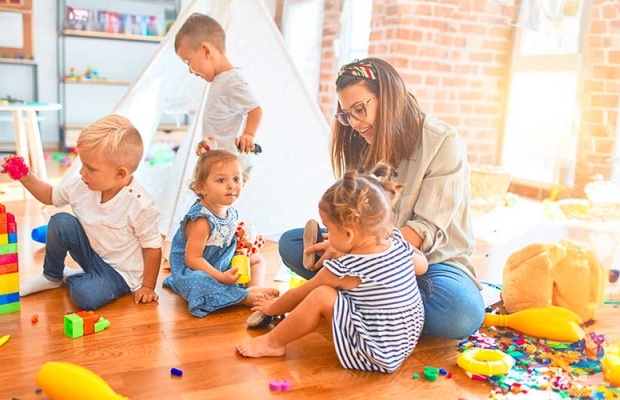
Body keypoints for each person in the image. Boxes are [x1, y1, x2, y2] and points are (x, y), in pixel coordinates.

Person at [271, 58, 482, 340]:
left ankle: (364, 299)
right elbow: (352, 211)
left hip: (433, 264)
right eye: (347, 115)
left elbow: (424, 232)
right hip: (368, 256)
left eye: (359, 110)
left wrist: (352, 254)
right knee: (291, 243)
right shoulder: (363, 143)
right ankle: (384, 304)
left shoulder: (443, 141)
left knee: (459, 314)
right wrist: (344, 241)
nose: (354, 123)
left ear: (389, 97)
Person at [237, 164, 427, 374]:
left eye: (328, 227)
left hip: (375, 353)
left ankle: (272, 343)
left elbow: (298, 294)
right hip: (405, 341)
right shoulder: (398, 244)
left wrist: (271, 308)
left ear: (348, 234)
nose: (326, 232)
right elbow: (422, 266)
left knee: (321, 295)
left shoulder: (344, 268)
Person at [9, 115, 163, 310]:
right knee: (60, 221)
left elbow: (152, 248)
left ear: (120, 174)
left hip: (120, 274)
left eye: (90, 168)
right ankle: (52, 276)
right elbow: (49, 196)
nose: (82, 172)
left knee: (85, 296)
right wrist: (26, 177)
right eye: (82, 164)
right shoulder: (82, 185)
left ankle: (71, 276)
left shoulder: (140, 205)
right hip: (90, 254)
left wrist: (147, 287)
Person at [161, 150, 278, 317]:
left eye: (236, 179)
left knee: (256, 260)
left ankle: (254, 288)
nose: (231, 185)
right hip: (196, 270)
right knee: (199, 282)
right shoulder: (201, 220)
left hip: (221, 263)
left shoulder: (231, 212)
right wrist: (220, 277)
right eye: (221, 180)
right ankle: (242, 297)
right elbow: (192, 259)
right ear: (202, 187)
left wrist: (241, 247)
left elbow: (226, 240)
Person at [173, 13, 263, 173]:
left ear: (206, 51)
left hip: (230, 167)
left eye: (188, 62)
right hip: (219, 162)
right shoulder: (220, 80)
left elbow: (255, 110)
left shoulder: (231, 81)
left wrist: (248, 135)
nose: (190, 70)